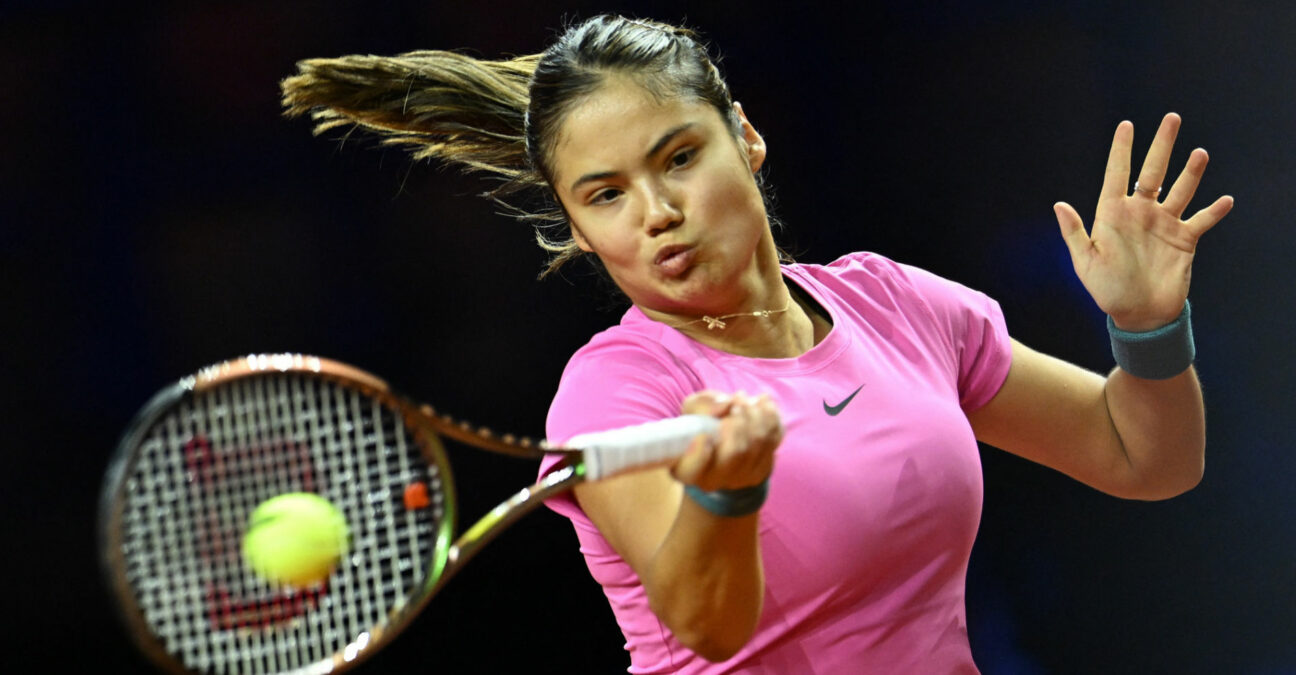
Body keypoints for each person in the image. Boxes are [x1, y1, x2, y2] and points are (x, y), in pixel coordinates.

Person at [281, 14, 1233, 674]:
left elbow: (1143, 457)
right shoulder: (614, 394)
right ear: (576, 227)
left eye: (679, 158)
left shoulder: (894, 305)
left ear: (746, 135)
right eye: (605, 194)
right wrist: (722, 493)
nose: (656, 215)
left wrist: (1146, 327)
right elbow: (707, 622)